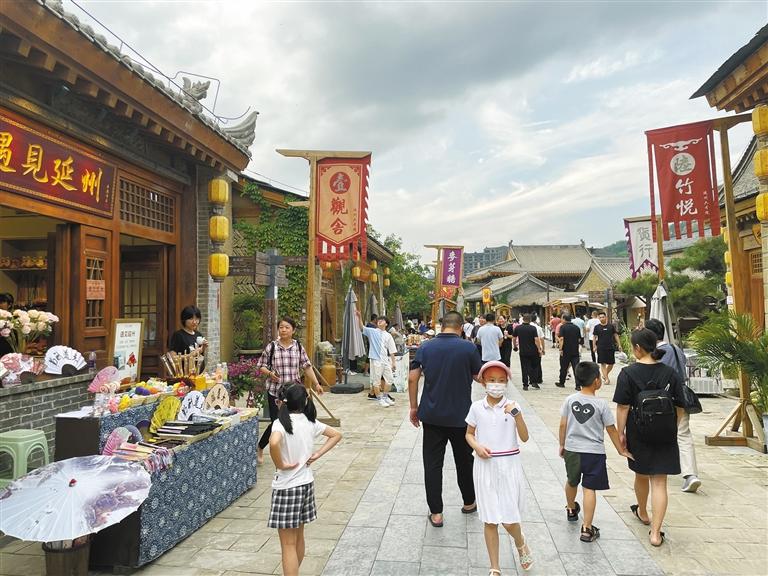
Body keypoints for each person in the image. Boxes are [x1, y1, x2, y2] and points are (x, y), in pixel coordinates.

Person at [408, 310, 481, 528]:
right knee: (465, 461)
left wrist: (414, 407)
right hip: (462, 417)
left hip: (432, 416)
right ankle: (469, 502)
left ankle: (437, 513)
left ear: (442, 325)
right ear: (460, 327)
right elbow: (479, 376)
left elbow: (413, 378)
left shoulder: (426, 347)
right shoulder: (468, 348)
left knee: (432, 464)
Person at [613, 328, 685, 547]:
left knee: (641, 474)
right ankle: (655, 533)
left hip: (639, 431)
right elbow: (680, 405)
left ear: (637, 348)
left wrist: (621, 434)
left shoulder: (628, 373)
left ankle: (643, 512)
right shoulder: (669, 372)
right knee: (660, 481)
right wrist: (672, 426)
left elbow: (623, 407)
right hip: (665, 433)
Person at [466, 360, 533, 572]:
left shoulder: (513, 406)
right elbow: (468, 433)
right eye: (492, 380)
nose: (496, 384)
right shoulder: (477, 407)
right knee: (490, 519)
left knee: (509, 519)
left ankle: (520, 541)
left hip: (509, 465)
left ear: (507, 383)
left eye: (501, 381)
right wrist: (477, 446)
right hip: (485, 467)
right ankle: (495, 567)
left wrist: (517, 414)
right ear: (483, 381)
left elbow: (524, 437)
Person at [268, 384, 342, 576]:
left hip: (286, 487)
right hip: (306, 485)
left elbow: (274, 443)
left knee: (287, 544)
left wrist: (281, 464)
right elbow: (336, 435)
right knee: (298, 538)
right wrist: (317, 454)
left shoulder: (279, 423)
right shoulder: (311, 422)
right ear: (305, 402)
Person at [559, 362, 632, 543]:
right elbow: (611, 429)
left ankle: (570, 508)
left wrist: (562, 444)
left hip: (572, 449)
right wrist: (621, 450)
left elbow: (563, 424)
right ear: (596, 381)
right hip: (594, 453)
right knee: (589, 489)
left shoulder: (569, 400)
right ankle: (587, 528)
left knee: (572, 480)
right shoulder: (601, 405)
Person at [256, 316, 324, 464]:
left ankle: (294, 449)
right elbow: (260, 365)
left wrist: (316, 383)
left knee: (298, 419)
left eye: (287, 327)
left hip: (295, 393)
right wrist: (269, 373)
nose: (284, 330)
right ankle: (261, 447)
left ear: (293, 330)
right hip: (276, 392)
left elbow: (306, 366)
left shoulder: (298, 347)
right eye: (281, 327)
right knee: (276, 422)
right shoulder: (272, 347)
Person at [645, 319, 702, 493]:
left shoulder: (659, 352)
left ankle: (657, 467)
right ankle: (690, 474)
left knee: (658, 433)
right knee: (683, 435)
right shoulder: (676, 348)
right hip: (682, 397)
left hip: (665, 400)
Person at [358, 311, 397, 407]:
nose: (379, 321)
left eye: (382, 320)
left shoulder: (388, 335)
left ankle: (385, 397)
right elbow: (362, 328)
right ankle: (380, 399)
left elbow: (392, 350)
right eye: (379, 320)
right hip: (375, 360)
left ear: (386, 324)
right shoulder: (372, 331)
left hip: (385, 360)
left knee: (390, 380)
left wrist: (393, 362)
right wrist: (359, 317)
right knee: (376, 381)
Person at [168, 305, 208, 370]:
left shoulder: (199, 335)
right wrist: (190, 355)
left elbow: (199, 354)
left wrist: (203, 348)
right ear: (184, 319)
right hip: (185, 376)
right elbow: (172, 358)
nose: (194, 322)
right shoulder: (178, 335)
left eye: (197, 319)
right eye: (191, 318)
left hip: (199, 374)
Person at [513, 314, 543, 391]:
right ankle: (534, 382)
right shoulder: (533, 328)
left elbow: (514, 337)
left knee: (524, 367)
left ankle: (525, 384)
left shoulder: (518, 328)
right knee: (534, 367)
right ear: (530, 320)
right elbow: (536, 339)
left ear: (523, 319)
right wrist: (539, 349)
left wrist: (515, 346)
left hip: (523, 351)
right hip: (533, 351)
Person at [592, 312, 621, 385]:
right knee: (602, 363)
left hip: (610, 347)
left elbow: (616, 335)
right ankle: (607, 379)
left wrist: (619, 345)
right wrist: (594, 346)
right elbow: (594, 337)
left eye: (603, 317)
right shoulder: (597, 327)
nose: (602, 318)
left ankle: (605, 375)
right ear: (599, 318)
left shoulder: (611, 326)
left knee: (611, 363)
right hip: (601, 347)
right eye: (600, 317)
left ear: (606, 317)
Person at [556, 314, 582, 389]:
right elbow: (579, 339)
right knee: (576, 368)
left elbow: (561, 339)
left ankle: (561, 382)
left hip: (565, 351)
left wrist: (561, 349)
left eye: (561, 318)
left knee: (563, 367)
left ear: (564, 319)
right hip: (575, 351)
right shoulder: (576, 328)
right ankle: (578, 385)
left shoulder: (563, 327)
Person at [0, 293, 14, 358]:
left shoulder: (15, 319)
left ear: (10, 305)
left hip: (9, 351)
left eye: (2, 302)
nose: (0, 304)